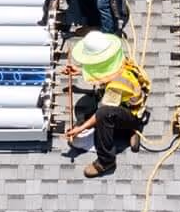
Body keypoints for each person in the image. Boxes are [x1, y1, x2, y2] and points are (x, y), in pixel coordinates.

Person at [62, 31, 150, 179]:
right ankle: (126, 133)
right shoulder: (117, 59)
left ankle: (106, 161)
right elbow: (105, 71)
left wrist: (80, 129)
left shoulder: (116, 86)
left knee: (103, 116)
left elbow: (102, 113)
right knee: (97, 115)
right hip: (123, 105)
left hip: (130, 114)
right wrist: (80, 71)